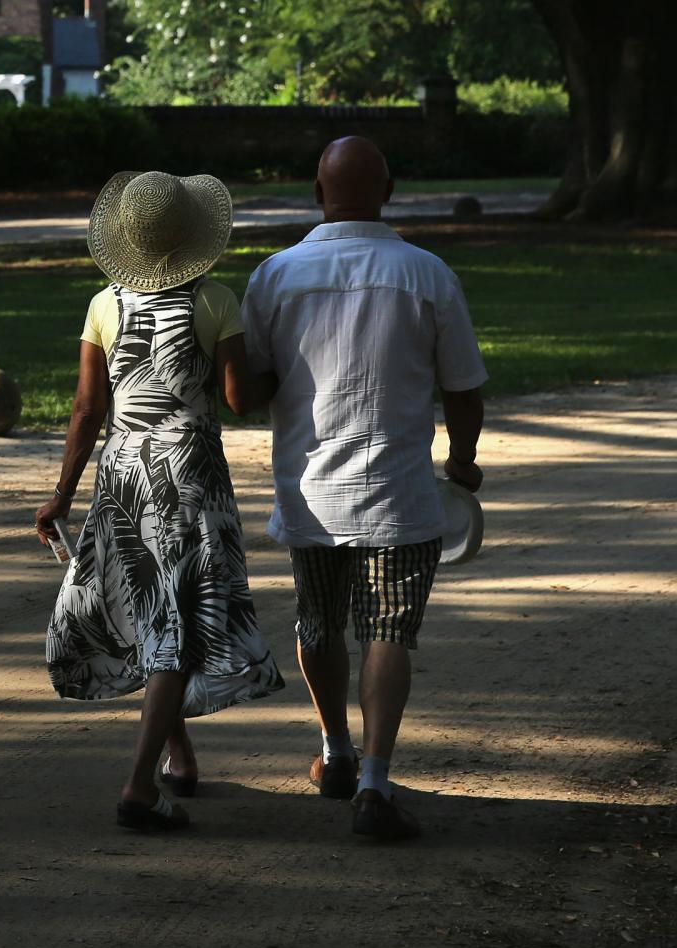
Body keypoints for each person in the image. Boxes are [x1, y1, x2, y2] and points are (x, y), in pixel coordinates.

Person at [242, 135, 486, 843]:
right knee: (388, 630)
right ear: (391, 190)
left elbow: (251, 382)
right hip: (401, 490)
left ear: (317, 194)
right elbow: (463, 386)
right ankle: (375, 779)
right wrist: (464, 461)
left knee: (318, 620)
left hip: (310, 485)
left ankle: (335, 750)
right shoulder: (427, 274)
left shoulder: (276, 275)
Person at [37, 169, 287, 833]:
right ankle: (140, 785)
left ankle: (178, 755)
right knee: (176, 624)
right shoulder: (215, 302)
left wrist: (60, 496)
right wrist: (286, 369)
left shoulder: (103, 305)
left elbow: (89, 410)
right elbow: (240, 398)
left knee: (152, 611)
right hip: (189, 481)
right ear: (193, 238)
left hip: (123, 478)